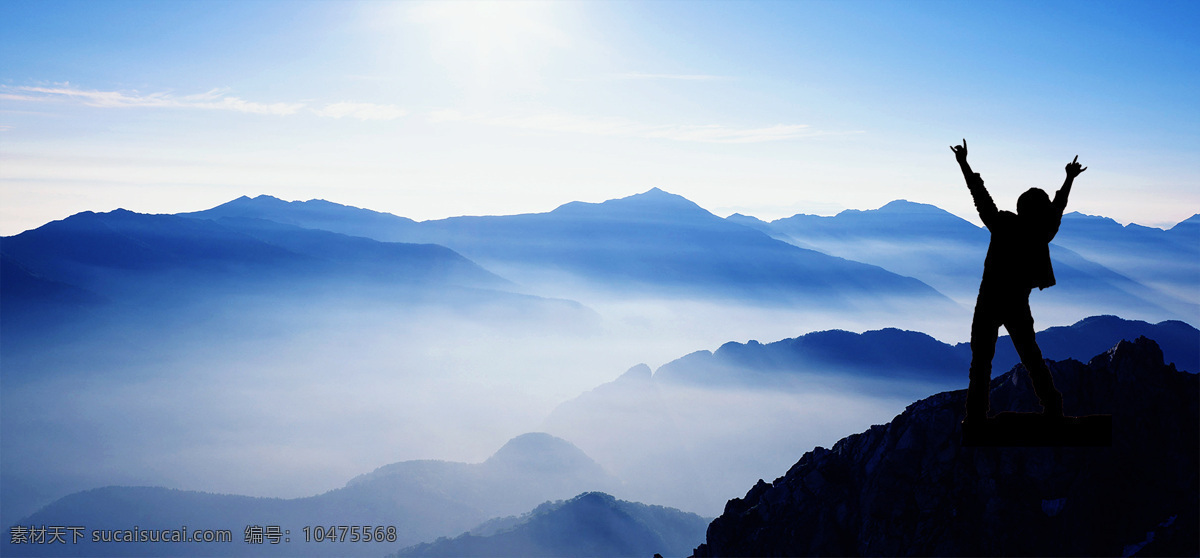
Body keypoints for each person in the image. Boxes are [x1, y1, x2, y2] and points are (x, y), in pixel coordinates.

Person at [951, 139, 1086, 424]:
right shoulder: (1042, 233)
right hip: (1016, 305)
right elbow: (1058, 208)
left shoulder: (1002, 225)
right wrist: (1068, 179)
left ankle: (976, 415)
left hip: (988, 302)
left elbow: (980, 196)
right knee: (1031, 358)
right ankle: (1052, 407)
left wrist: (964, 164)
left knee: (981, 362)